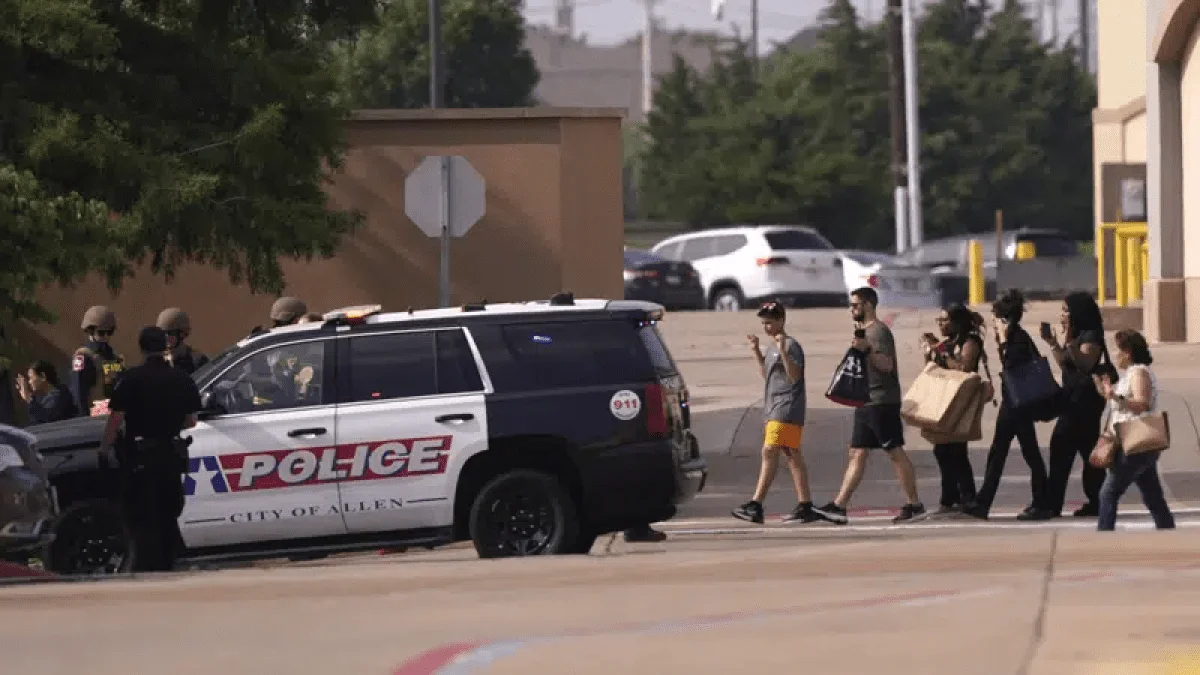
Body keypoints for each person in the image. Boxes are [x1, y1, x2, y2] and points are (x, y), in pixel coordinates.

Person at [813, 287, 926, 524]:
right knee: (857, 452)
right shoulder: (865, 332)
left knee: (894, 451)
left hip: (882, 401)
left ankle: (914, 504)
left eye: (855, 305)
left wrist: (867, 351)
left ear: (867, 305)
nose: (851, 309)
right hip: (866, 401)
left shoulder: (879, 332)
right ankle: (839, 505)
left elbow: (886, 365)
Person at [99, 326, 203, 572]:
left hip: (140, 457)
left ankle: (148, 566)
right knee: (169, 512)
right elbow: (191, 421)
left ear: (141, 348)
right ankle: (169, 562)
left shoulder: (131, 379)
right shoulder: (181, 378)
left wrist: (104, 449)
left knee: (141, 515)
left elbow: (115, 419)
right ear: (166, 346)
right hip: (169, 454)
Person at [963, 289, 1053, 521]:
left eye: (995, 318)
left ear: (1005, 320)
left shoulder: (1017, 338)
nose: (993, 323)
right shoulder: (1014, 336)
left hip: (1018, 406)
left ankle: (1040, 503)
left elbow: (1011, 365)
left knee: (1023, 453)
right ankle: (985, 502)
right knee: (1003, 452)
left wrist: (1003, 340)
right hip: (1013, 404)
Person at [732, 301, 818, 525]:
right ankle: (805, 504)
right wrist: (757, 352)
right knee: (791, 455)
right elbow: (769, 375)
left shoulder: (790, 345)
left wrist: (782, 350)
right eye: (764, 323)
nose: (766, 327)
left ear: (782, 321)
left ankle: (756, 504)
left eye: (770, 322)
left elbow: (794, 375)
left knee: (769, 451)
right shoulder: (772, 347)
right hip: (774, 406)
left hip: (786, 406)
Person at [1094, 330, 1175, 531]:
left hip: (1135, 442)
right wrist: (1106, 391)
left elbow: (1142, 403)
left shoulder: (1139, 372)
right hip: (1136, 444)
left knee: (1108, 493)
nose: (1115, 354)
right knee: (1153, 496)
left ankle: (1103, 536)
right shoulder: (1130, 374)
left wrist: (1115, 397)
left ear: (1128, 352)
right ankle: (1167, 532)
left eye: (1118, 350)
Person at [1041, 292, 1108, 518]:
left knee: (1063, 446)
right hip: (1072, 400)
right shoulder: (1077, 335)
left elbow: (1086, 365)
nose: (1062, 315)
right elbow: (1065, 364)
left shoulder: (1091, 336)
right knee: (1086, 454)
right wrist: (1053, 343)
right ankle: (1097, 501)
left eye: (1066, 310)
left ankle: (1054, 504)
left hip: (1085, 403)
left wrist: (1069, 341)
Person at [921, 304, 985, 515]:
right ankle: (950, 498)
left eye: (945, 320)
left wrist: (940, 350)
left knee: (957, 451)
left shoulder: (970, 342)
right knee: (942, 449)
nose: (940, 323)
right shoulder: (947, 343)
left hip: (961, 402)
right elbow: (933, 370)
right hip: (945, 400)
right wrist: (929, 353)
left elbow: (964, 368)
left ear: (957, 322)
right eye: (939, 320)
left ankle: (966, 498)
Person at [69, 305, 127, 416]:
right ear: (90, 331)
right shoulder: (81, 357)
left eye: (109, 332)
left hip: (114, 416)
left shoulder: (115, 357)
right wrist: (84, 419)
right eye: (101, 332)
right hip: (93, 418)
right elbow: (78, 392)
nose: (106, 336)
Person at [156, 308, 210, 375]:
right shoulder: (156, 364)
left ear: (183, 334)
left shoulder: (198, 361)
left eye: (169, 334)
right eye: (161, 334)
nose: (165, 339)